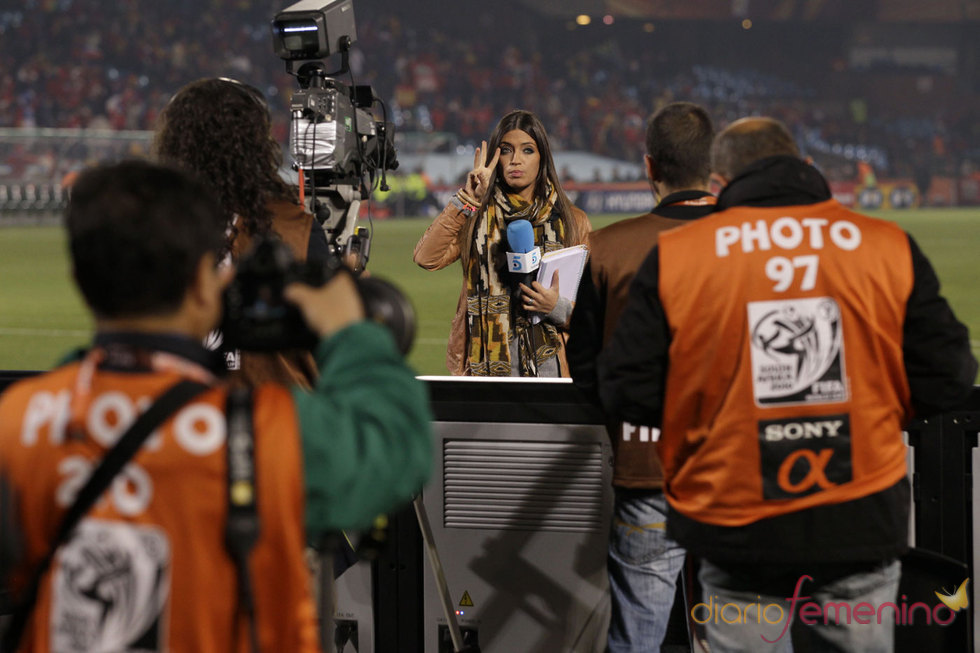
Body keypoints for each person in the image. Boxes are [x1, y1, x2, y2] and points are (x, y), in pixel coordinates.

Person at [0, 160, 433, 652]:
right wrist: (351, 334)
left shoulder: (18, 422)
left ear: (80, 280)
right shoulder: (259, 433)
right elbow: (397, 443)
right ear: (206, 282)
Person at [597, 116, 977, 652]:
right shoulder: (885, 245)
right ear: (807, 167)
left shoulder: (683, 256)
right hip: (858, 513)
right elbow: (951, 378)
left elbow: (624, 389)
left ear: (719, 183)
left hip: (736, 518)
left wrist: (714, 416)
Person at [566, 101, 716, 652]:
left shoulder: (607, 248)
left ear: (650, 167)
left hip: (646, 466)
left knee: (636, 642)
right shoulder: (756, 241)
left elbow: (585, 370)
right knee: (751, 637)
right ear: (712, 166)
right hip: (741, 473)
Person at [153, 77, 330, 389]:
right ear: (258, 145)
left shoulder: (147, 229)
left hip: (177, 424)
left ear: (174, 143)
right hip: (276, 423)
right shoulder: (295, 228)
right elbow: (330, 349)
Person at [413, 109, 591, 377]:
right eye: (506, 150)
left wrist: (555, 307)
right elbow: (426, 257)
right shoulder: (475, 215)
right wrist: (467, 200)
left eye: (527, 150)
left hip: (550, 369)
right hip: (485, 369)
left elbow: (594, 313)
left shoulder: (572, 220)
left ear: (542, 158)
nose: (515, 160)